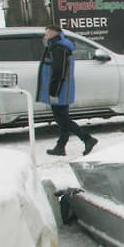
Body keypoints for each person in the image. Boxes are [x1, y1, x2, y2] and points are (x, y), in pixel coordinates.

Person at [37, 25, 98, 156]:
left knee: (63, 119)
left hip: (60, 90)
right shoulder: (57, 46)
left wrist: (53, 91)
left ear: (54, 35)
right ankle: (60, 147)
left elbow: (59, 72)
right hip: (62, 89)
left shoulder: (59, 48)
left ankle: (87, 139)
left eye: (46, 34)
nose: (44, 37)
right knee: (62, 119)